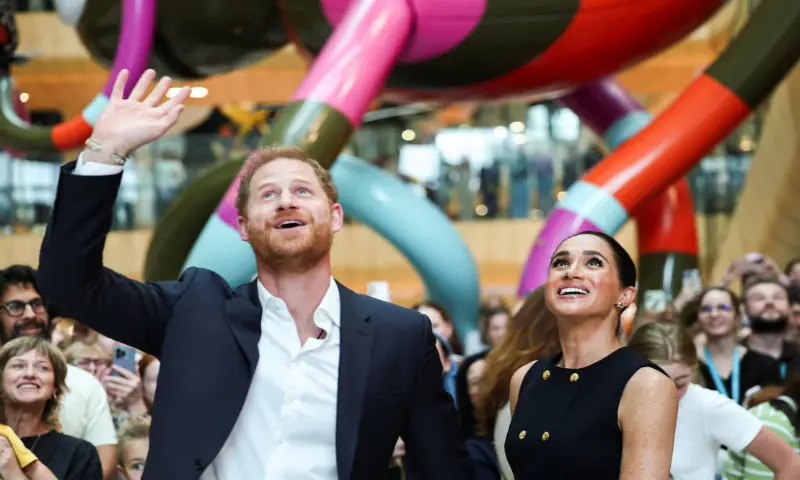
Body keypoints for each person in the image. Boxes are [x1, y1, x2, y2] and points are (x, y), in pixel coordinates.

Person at [37, 69, 471, 480]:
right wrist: (104, 151)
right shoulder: (193, 309)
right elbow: (68, 283)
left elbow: (442, 468)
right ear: (243, 226)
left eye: (302, 191)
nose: (286, 201)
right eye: (268, 194)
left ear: (335, 216)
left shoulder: (400, 336)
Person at [504, 232, 678, 479]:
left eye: (593, 262)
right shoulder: (525, 378)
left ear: (625, 295)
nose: (571, 272)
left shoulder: (645, 384)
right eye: (560, 263)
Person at [627, 321, 800, 480]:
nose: (669, 394)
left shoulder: (707, 405)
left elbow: (790, 464)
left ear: (693, 370)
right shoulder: (611, 397)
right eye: (657, 383)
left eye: (680, 383)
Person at [0, 336, 102, 479]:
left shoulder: (79, 454)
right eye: (18, 366)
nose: (30, 374)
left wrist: (12, 472)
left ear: (55, 388)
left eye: (42, 368)